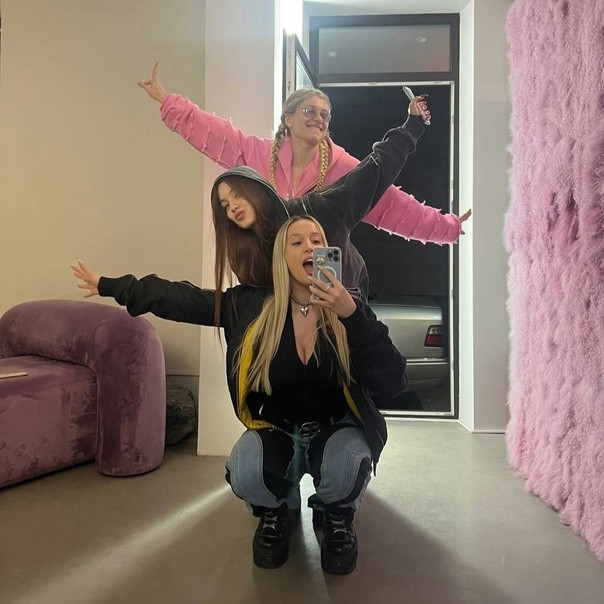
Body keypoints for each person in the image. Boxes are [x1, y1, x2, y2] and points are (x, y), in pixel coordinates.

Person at [72, 215, 407, 575]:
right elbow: (183, 298)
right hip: (278, 430)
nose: (309, 247)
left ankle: (336, 514)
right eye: (297, 242)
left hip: (335, 427)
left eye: (316, 240)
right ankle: (278, 512)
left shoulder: (351, 309)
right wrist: (114, 286)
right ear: (282, 258)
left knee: (348, 466)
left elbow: (393, 380)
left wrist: (351, 316)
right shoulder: (250, 305)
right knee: (246, 472)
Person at [137, 63, 471, 242]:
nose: (319, 119)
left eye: (325, 115)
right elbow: (217, 136)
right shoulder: (258, 155)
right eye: (310, 111)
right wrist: (169, 102)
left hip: (323, 278)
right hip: (271, 274)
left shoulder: (343, 167)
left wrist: (448, 226)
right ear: (288, 118)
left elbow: (391, 205)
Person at [207, 96, 433, 303]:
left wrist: (412, 126)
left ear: (255, 190)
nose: (233, 207)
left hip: (344, 307)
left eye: (237, 196)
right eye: (225, 205)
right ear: (288, 119)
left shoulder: (315, 211)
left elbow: (374, 173)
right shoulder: (246, 249)